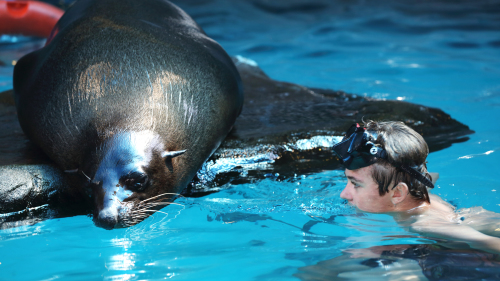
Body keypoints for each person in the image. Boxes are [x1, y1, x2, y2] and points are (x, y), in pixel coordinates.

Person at [332, 120, 500, 254]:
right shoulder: (419, 190)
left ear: (398, 193)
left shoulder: (423, 225)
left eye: (356, 184)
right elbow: (431, 177)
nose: (344, 194)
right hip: (474, 216)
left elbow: (489, 242)